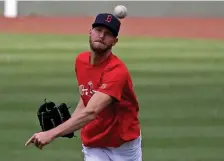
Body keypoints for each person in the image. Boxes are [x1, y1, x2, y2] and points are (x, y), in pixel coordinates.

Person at [25, 13, 142, 161]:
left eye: (108, 34)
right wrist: (68, 124)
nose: (101, 36)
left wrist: (52, 133)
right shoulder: (81, 61)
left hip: (123, 145)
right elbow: (87, 98)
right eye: (98, 30)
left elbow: (91, 111)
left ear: (115, 41)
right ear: (90, 32)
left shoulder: (117, 71)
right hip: (93, 142)